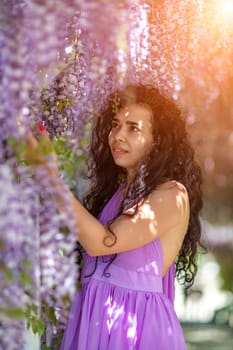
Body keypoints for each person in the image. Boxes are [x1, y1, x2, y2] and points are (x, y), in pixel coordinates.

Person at [30, 84, 203, 349]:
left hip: (136, 331)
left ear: (157, 139)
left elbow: (103, 242)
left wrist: (51, 178)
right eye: (115, 124)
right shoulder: (117, 195)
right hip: (94, 324)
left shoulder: (172, 194)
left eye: (133, 128)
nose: (117, 136)